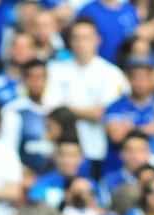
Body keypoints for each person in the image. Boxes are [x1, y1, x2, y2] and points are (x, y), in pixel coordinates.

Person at [43, 19, 126, 177]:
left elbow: (103, 113)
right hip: (62, 151)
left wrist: (67, 110)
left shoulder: (112, 74)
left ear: (97, 40)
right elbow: (51, 109)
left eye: (86, 37)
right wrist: (86, 112)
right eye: (76, 37)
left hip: (98, 148)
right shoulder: (55, 70)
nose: (81, 43)